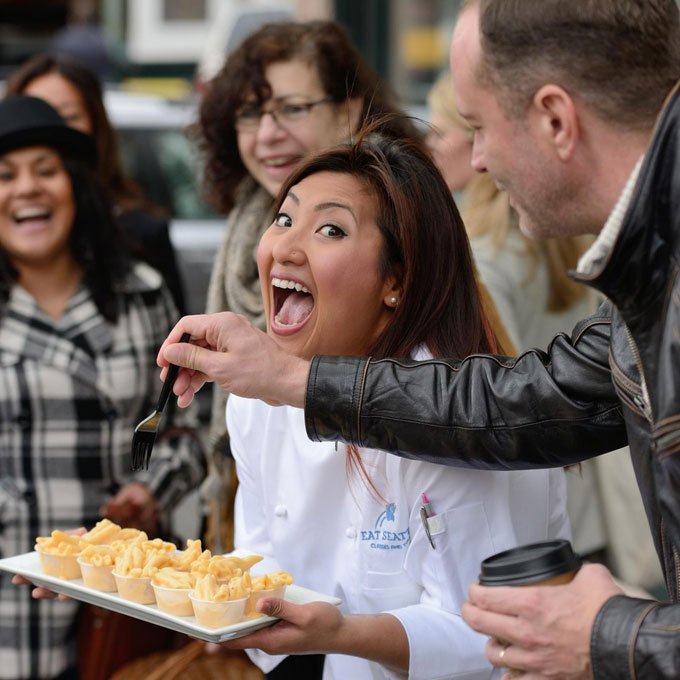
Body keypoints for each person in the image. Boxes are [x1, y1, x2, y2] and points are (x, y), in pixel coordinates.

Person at [157, 1, 680, 678]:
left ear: (555, 119)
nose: (479, 161)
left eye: (478, 126)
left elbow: (478, 631)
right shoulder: (648, 284)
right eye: (285, 220)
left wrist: (618, 634)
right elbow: (517, 404)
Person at [219, 130, 570, 679]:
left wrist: (343, 635)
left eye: (330, 229)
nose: (285, 248)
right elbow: (258, 565)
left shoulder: (455, 414)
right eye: (284, 219)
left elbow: (492, 635)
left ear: (396, 282)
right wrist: (146, 578)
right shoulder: (256, 401)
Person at [194, 19, 422, 552]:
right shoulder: (245, 231)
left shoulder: (414, 229)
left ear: (348, 111)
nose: (268, 133)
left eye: (292, 109)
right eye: (250, 113)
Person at [0, 96, 204, 680]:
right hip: (13, 604)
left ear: (76, 186)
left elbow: (186, 426)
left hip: (120, 595)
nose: (26, 190)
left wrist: (148, 494)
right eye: (5, 175)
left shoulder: (140, 293)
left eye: (45, 170)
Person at [5, 53, 187, 315]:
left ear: (96, 125)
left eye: (67, 118)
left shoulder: (141, 252)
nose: (28, 188)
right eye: (7, 175)